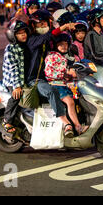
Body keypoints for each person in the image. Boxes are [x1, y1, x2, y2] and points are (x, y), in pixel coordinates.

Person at [26, 9, 77, 138]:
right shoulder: (33, 40)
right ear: (34, 25)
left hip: (49, 78)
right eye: (40, 24)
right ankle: (66, 123)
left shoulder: (48, 43)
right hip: (35, 80)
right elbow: (48, 36)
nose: (42, 26)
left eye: (45, 24)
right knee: (51, 91)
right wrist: (63, 27)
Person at [44, 33, 88, 135]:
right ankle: (77, 127)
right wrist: (65, 73)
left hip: (64, 85)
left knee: (78, 101)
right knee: (70, 102)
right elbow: (49, 72)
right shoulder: (52, 56)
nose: (64, 46)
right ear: (55, 45)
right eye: (61, 44)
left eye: (66, 44)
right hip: (56, 86)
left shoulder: (63, 57)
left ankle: (78, 124)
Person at [2, 20, 30, 133]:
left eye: (24, 32)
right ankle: (7, 120)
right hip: (12, 81)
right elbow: (14, 69)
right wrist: (17, 86)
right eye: (19, 33)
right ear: (12, 35)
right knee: (16, 96)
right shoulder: (10, 49)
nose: (23, 35)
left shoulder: (25, 47)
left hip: (24, 79)